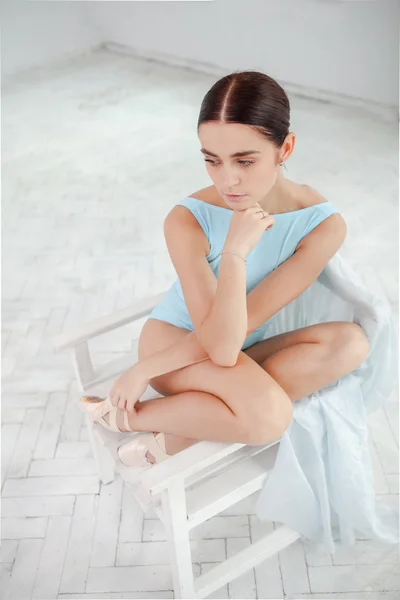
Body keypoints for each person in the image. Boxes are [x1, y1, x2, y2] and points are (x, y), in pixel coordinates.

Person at [81, 70, 370, 468]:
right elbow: (216, 343)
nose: (227, 180)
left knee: (351, 343)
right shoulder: (187, 219)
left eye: (245, 161)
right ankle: (124, 417)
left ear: (285, 148)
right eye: (212, 161)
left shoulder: (322, 225)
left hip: (239, 343)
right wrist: (234, 253)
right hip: (175, 348)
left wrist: (142, 371)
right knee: (270, 417)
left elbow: (239, 331)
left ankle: (180, 431)